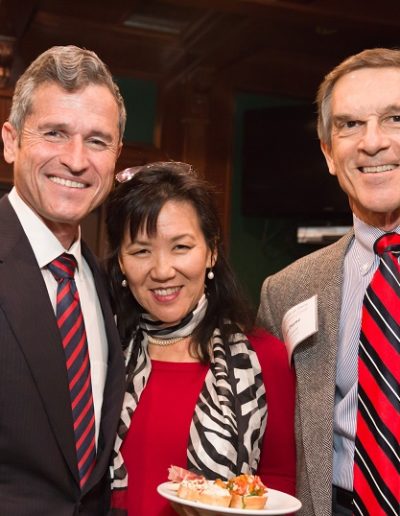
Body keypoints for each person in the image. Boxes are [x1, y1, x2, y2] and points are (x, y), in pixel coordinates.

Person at [105, 162, 296, 516]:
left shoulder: (265, 358)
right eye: (141, 250)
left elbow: (280, 481)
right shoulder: (102, 354)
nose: (162, 271)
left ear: (211, 251)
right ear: (120, 261)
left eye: (180, 247)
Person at [257, 47, 400, 516]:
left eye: (395, 118)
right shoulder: (287, 291)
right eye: (350, 124)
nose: (372, 142)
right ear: (328, 153)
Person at [0, 45, 126, 514]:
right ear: (11, 141)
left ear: (116, 156)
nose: (76, 160)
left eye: (97, 141)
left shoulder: (108, 284)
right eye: (55, 133)